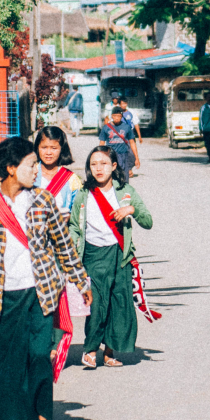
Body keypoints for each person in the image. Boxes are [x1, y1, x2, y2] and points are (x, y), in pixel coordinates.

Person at [0, 135, 91, 420]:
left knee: (37, 358)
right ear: (9, 168)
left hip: (40, 293)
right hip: (0, 297)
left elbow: (63, 245)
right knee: (6, 364)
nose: (36, 170)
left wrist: (81, 280)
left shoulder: (43, 201)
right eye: (31, 164)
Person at [72, 143, 154, 369]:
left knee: (119, 304)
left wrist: (131, 210)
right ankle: (89, 350)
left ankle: (108, 352)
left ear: (114, 165)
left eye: (104, 164)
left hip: (120, 256)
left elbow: (148, 221)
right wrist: (71, 253)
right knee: (97, 304)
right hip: (93, 256)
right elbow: (74, 227)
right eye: (93, 164)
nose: (98, 168)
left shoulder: (126, 192)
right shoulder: (83, 194)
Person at [101, 98, 141, 180]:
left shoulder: (126, 127)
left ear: (121, 116)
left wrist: (136, 158)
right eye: (115, 116)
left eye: (119, 116)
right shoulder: (106, 128)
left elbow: (132, 143)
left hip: (124, 155)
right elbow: (102, 143)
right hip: (111, 156)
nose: (116, 118)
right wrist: (101, 157)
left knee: (125, 178)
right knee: (112, 178)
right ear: (111, 116)